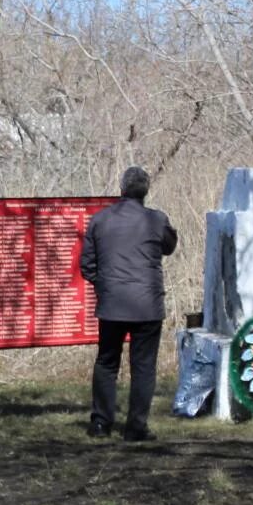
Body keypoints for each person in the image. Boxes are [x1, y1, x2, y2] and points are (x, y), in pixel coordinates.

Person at [80, 166, 179, 441]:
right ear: (146, 192)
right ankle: (136, 427)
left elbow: (86, 265)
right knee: (144, 366)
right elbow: (170, 247)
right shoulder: (156, 220)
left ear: (121, 189)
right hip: (147, 306)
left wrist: (104, 286)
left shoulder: (100, 220)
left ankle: (101, 423)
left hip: (112, 304)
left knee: (107, 362)